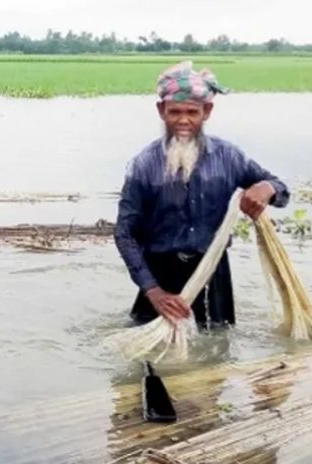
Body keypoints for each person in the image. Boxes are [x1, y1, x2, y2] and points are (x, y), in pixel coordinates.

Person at [114, 61, 290, 329]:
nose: (183, 120)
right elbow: (124, 233)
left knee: (217, 345)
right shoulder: (144, 165)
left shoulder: (229, 157)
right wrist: (153, 291)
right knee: (148, 361)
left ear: (206, 112)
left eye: (192, 112)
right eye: (175, 112)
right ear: (161, 111)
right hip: (161, 276)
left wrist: (267, 189)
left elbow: (280, 188)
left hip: (214, 272)